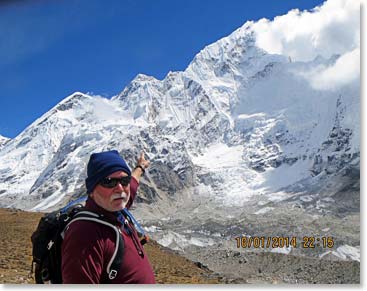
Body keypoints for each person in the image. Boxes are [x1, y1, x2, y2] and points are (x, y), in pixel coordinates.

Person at [61, 150, 156, 284]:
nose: (120, 188)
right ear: (92, 189)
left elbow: (132, 184)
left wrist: (140, 167)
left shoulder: (116, 208)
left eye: (124, 180)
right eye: (109, 182)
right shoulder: (85, 233)